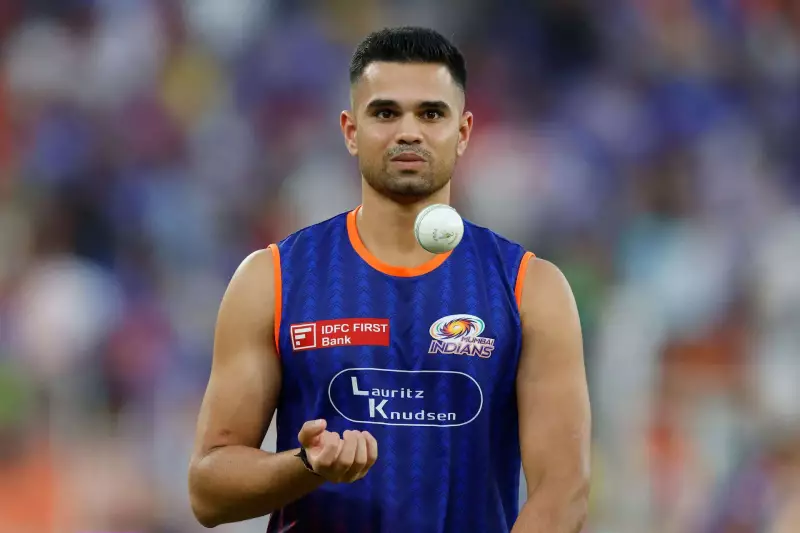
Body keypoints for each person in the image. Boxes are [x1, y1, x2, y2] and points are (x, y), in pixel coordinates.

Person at [188, 26, 591, 533]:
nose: (408, 132)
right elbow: (208, 491)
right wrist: (307, 465)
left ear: (463, 132)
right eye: (385, 113)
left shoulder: (530, 289)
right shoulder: (273, 279)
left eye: (431, 114)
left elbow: (563, 493)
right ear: (350, 130)